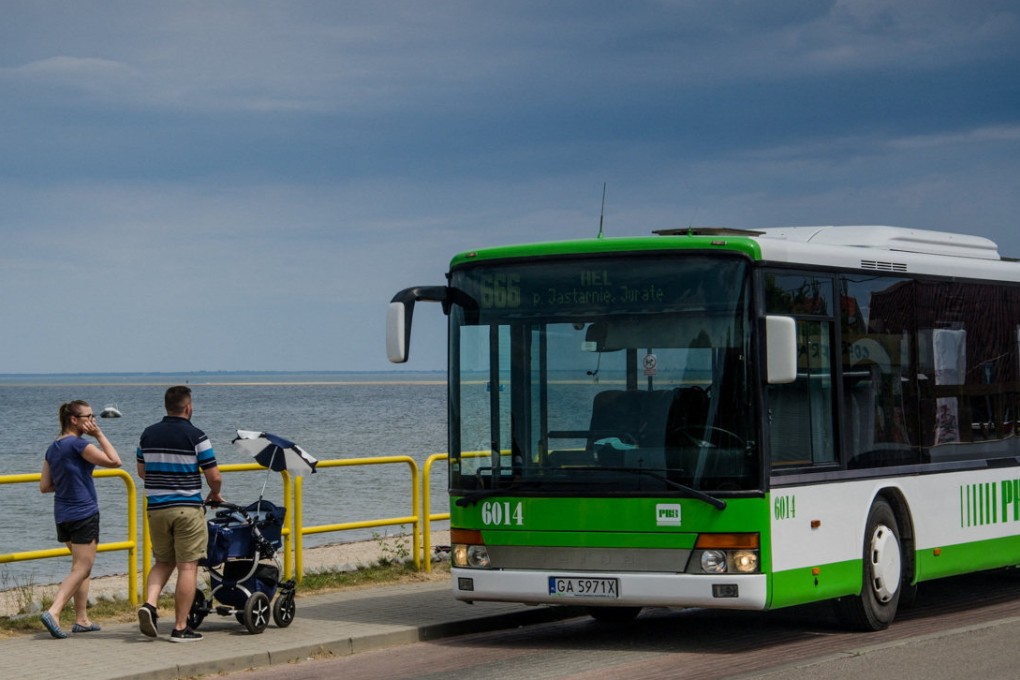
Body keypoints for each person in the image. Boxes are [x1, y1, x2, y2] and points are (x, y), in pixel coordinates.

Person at [136, 385, 222, 642]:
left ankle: (149, 604)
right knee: (187, 567)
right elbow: (213, 475)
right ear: (188, 407)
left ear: (167, 406)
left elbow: (142, 472)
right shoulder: (196, 436)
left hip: (156, 509)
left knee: (163, 561)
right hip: (186, 508)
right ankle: (181, 627)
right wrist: (215, 493)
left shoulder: (147, 434)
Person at [39, 400, 123, 639]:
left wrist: (68, 484)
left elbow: (45, 486)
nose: (92, 420)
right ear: (74, 420)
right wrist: (99, 434)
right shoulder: (78, 445)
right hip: (83, 512)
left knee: (79, 567)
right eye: (88, 416)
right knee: (83, 566)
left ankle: (81, 619)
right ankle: (54, 611)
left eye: (94, 417)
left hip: (62, 514)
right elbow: (115, 461)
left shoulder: (53, 447)